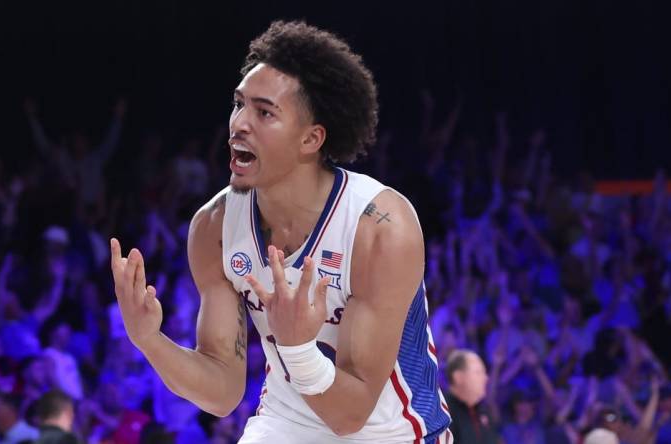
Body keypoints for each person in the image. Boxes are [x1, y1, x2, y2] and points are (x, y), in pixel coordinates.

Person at [110, 21, 451, 443]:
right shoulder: (214, 226)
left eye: (264, 111)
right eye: (239, 104)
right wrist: (150, 340)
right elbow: (222, 392)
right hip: (284, 425)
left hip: (391, 432)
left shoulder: (379, 225)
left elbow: (351, 415)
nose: (239, 123)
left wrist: (296, 347)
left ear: (311, 139)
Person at [444, 349, 500, 444]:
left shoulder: (483, 411)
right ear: (458, 377)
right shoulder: (442, 413)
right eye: (478, 372)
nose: (486, 378)